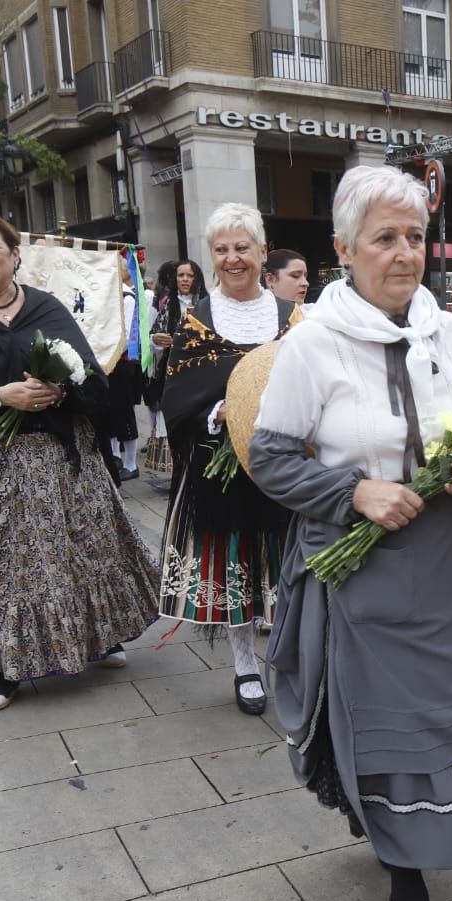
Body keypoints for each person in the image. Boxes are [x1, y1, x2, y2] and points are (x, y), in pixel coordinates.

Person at [250, 166, 452, 901]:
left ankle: (419, 837)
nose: (404, 254)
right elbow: (270, 458)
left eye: (416, 237)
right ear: (342, 249)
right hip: (368, 579)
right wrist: (354, 490)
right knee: (394, 734)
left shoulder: (449, 333)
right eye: (384, 238)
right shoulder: (312, 344)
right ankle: (408, 887)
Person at [0, 210, 158, 712]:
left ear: (14, 254)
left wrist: (58, 388)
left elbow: (93, 381)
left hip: (62, 461)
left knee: (82, 552)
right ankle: (7, 667)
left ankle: (101, 636)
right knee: (1, 565)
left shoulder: (45, 307)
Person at [159, 204, 296, 715]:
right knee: (236, 564)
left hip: (284, 464)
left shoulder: (290, 317)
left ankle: (292, 657)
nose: (233, 258)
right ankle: (244, 667)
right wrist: (220, 409)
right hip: (222, 463)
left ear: (263, 251)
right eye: (222, 249)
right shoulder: (197, 320)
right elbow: (178, 394)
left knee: (288, 565)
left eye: (243, 247)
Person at [145, 258, 205, 482]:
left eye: (189, 275)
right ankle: (178, 467)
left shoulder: (207, 303)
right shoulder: (169, 304)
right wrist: (156, 339)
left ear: (196, 278)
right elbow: (154, 336)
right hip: (173, 373)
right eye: (181, 275)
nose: (185, 279)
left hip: (202, 373)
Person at [107, 257, 144, 481]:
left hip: (122, 362)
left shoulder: (126, 296)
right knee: (109, 412)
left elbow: (126, 333)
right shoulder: (108, 295)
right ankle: (114, 458)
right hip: (109, 362)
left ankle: (130, 463)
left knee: (125, 412)